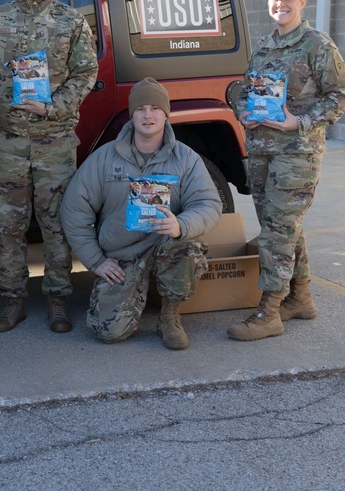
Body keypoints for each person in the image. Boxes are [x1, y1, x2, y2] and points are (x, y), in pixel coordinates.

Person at [0, 0, 98, 334]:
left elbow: (85, 74)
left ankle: (58, 298)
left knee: (56, 223)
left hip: (54, 142)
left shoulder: (71, 21)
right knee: (7, 224)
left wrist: (54, 107)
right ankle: (13, 299)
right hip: (7, 144)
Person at [227, 0, 345, 341]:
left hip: (297, 152)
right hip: (263, 151)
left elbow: (338, 96)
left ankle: (270, 311)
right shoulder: (264, 45)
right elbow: (248, 89)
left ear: (302, 3)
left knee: (278, 231)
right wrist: (243, 110)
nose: (280, 5)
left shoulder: (317, 45)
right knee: (282, 227)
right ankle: (300, 298)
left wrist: (301, 121)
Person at [61, 78, 223, 348]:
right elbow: (74, 210)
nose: (148, 115)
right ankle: (133, 291)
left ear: (166, 114)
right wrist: (96, 261)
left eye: (155, 108)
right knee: (108, 332)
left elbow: (210, 204)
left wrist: (180, 225)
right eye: (141, 109)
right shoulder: (105, 158)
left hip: (164, 245)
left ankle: (169, 316)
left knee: (187, 246)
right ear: (132, 114)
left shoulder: (186, 158)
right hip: (122, 253)